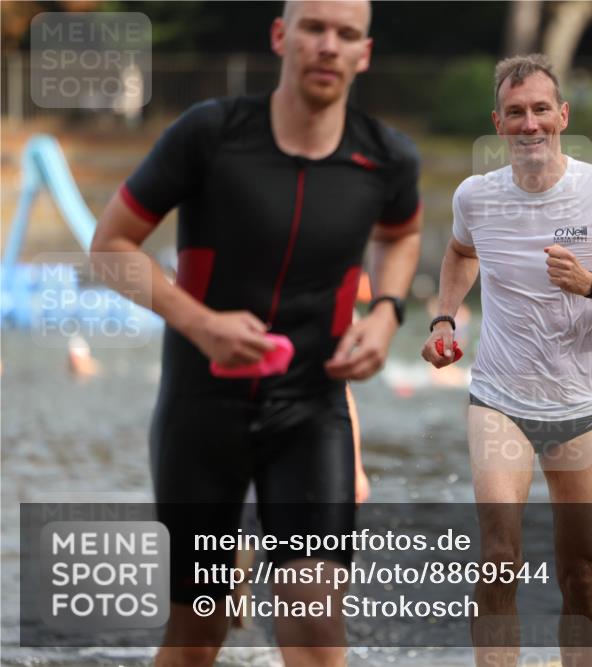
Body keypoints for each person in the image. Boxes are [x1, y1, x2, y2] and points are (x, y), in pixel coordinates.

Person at [90, 2, 421, 665]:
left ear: (365, 53)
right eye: (314, 28)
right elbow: (110, 246)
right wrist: (201, 323)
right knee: (196, 636)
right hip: (201, 414)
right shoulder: (209, 135)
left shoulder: (385, 159)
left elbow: (402, 233)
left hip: (312, 411)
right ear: (281, 36)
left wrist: (386, 310)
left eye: (346, 34)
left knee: (317, 631)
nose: (329, 45)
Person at [421, 54, 592, 667]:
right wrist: (445, 317)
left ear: (562, 115)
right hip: (499, 400)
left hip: (583, 410)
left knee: (580, 574)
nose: (529, 125)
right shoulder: (475, 196)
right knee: (499, 557)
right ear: (497, 123)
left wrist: (589, 284)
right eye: (514, 113)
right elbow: (457, 252)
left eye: (539, 110)